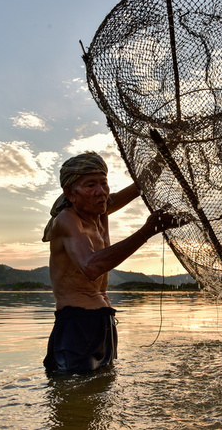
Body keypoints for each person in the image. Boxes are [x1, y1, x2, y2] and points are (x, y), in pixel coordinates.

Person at [42, 151, 182, 374]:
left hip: (103, 324)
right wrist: (146, 231)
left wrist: (165, 150)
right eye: (90, 185)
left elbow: (141, 186)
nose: (101, 192)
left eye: (104, 184)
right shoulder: (67, 220)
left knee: (101, 393)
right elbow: (91, 266)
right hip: (76, 327)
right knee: (73, 398)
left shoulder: (101, 210)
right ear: (70, 192)